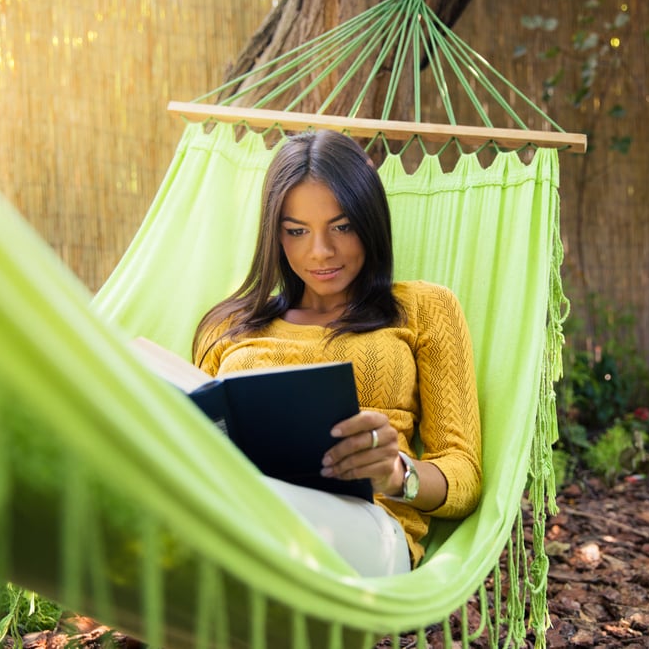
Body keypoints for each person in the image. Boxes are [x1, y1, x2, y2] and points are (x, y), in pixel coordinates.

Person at [192, 129, 482, 576]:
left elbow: (464, 475)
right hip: (237, 519)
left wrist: (396, 473)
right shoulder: (228, 326)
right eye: (296, 231)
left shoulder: (424, 309)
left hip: (367, 533)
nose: (320, 251)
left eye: (342, 226)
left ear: (369, 223)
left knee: (248, 506)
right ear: (275, 234)